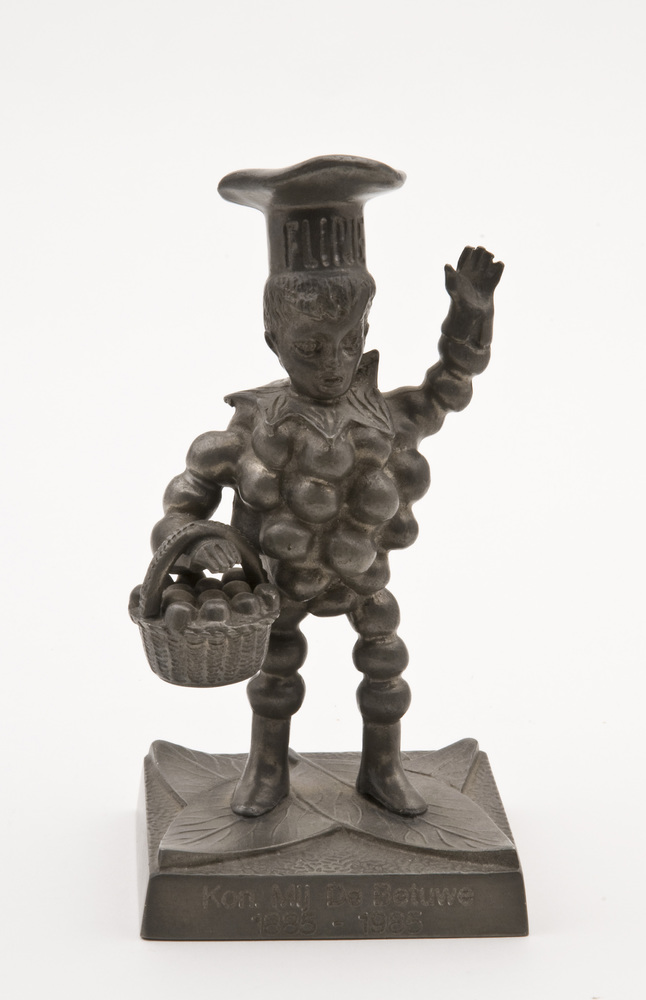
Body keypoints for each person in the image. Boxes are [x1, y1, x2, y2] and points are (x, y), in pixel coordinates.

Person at [151, 157, 503, 818]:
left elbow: (449, 391)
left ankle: (382, 767)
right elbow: (185, 497)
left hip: (362, 576)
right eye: (310, 348)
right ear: (274, 340)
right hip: (278, 581)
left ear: (365, 332)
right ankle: (266, 769)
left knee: (385, 662)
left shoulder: (384, 418)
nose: (334, 364)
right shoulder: (254, 427)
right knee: (276, 668)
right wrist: (190, 540)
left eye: (347, 343)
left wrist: (470, 317)